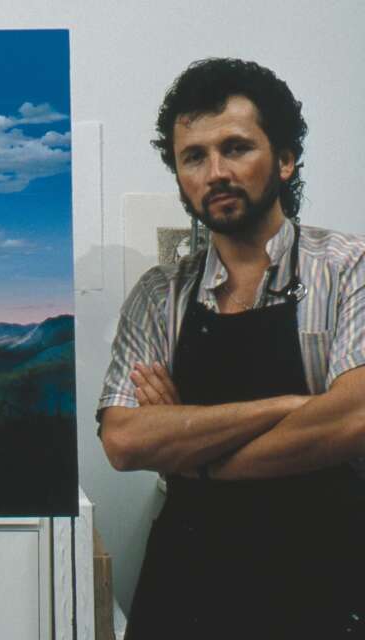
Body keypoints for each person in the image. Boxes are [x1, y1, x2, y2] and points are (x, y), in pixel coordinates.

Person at [98, 58, 365, 638]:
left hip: (321, 588)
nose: (215, 171)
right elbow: (122, 440)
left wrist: (188, 454)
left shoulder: (349, 268)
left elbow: (353, 418)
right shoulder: (158, 294)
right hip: (183, 593)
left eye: (236, 148)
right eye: (193, 157)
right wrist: (289, 406)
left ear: (286, 160)